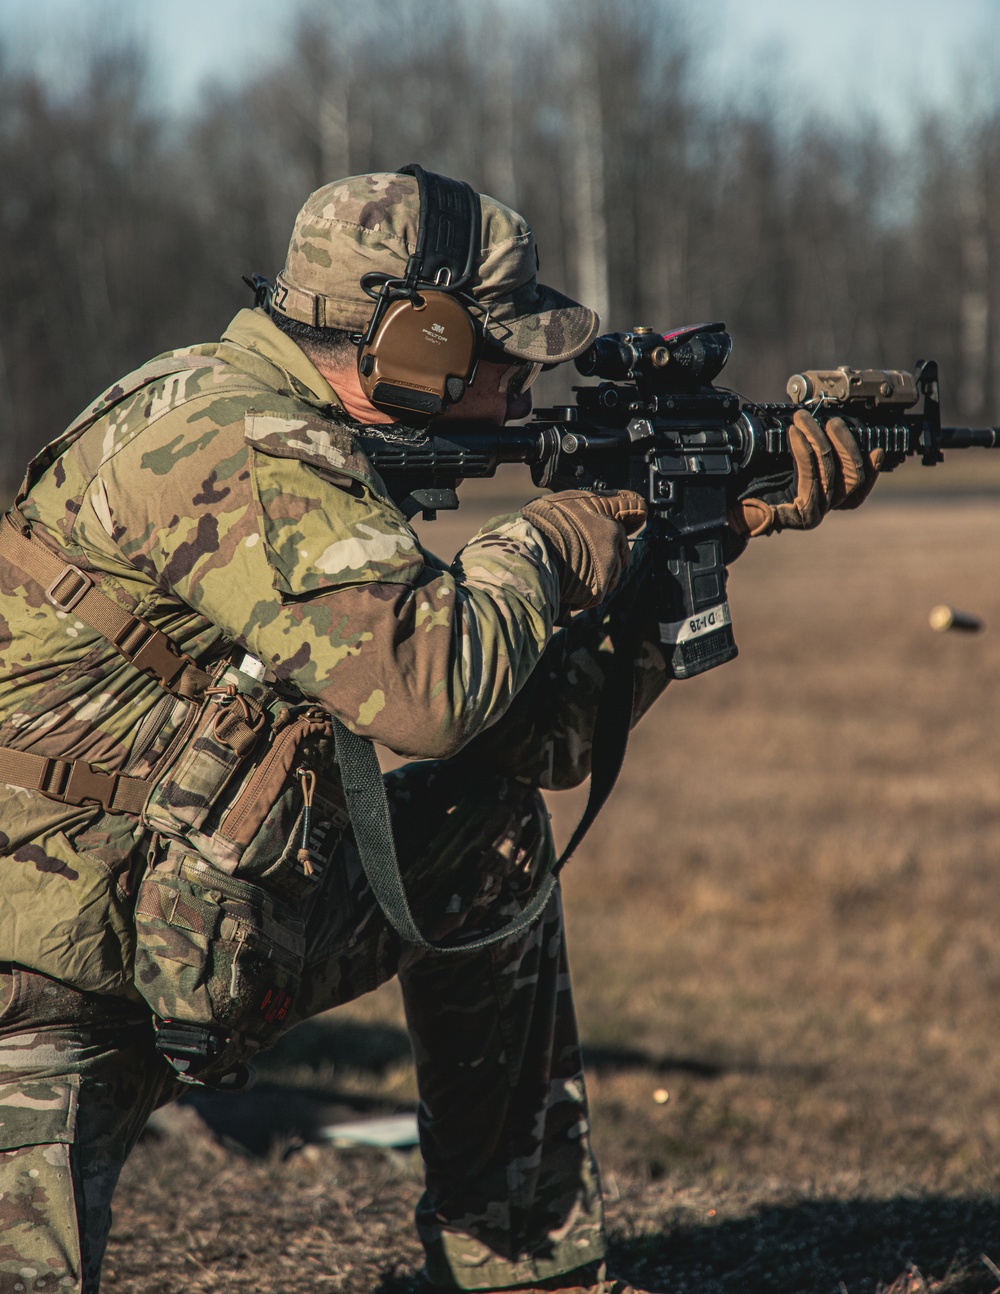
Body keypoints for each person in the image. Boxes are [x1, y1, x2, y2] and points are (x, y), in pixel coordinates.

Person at [0, 168, 880, 1294]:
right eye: (506, 351)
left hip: (171, 921)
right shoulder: (244, 444)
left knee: (489, 834)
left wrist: (674, 558)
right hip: (44, 986)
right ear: (413, 339)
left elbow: (535, 743)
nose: (523, 383)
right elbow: (430, 689)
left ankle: (521, 1258)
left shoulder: (294, 431)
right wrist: (551, 546)